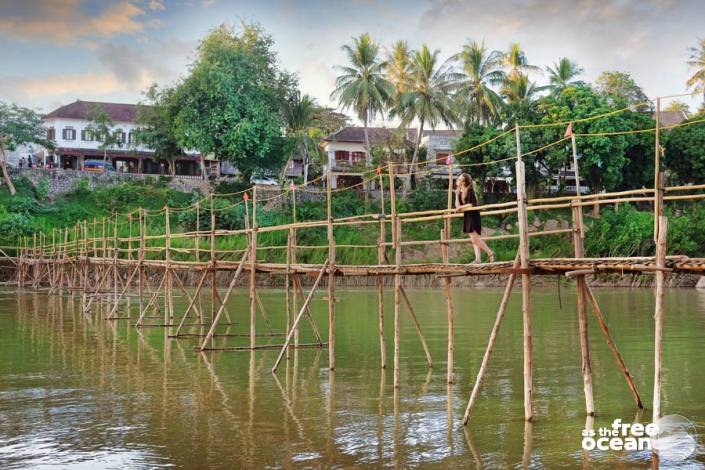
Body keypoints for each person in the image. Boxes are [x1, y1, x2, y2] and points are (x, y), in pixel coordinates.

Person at [455, 172, 495, 263]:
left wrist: (461, 208)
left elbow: (471, 205)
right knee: (474, 239)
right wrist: (456, 195)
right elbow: (457, 206)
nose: (457, 180)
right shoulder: (461, 192)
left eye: (459, 179)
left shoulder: (470, 190)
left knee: (474, 238)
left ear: (464, 182)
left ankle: (490, 252)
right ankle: (478, 259)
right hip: (467, 215)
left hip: (473, 215)